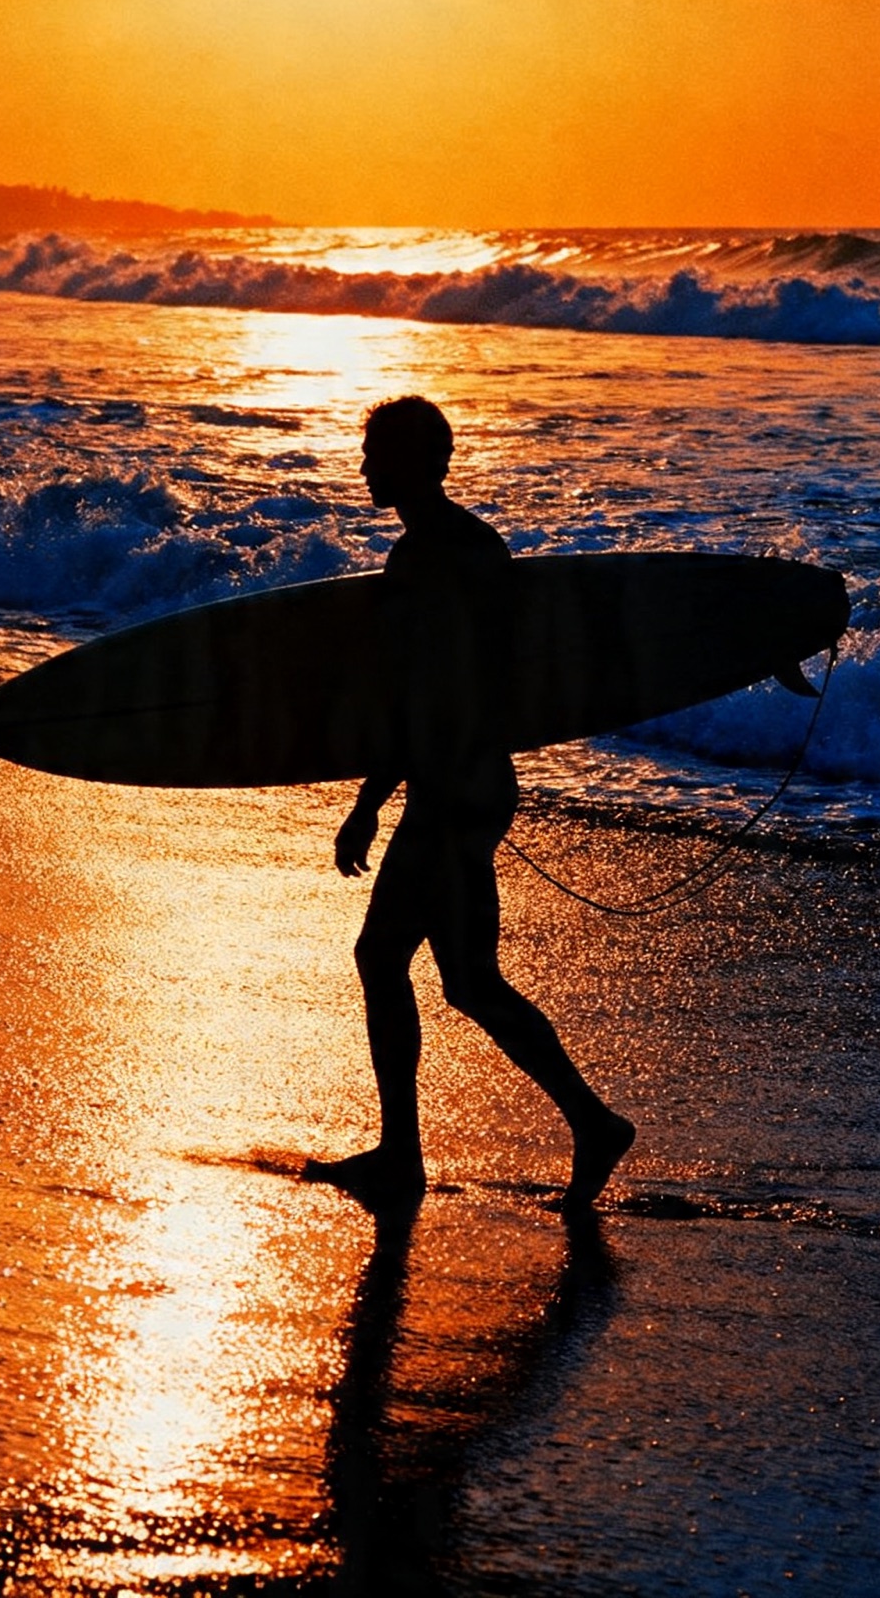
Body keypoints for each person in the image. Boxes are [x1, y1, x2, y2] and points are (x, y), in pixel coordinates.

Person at [302, 396, 634, 1214]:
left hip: (454, 791)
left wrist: (370, 802)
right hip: (465, 783)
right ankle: (581, 1126)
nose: (366, 469)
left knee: (401, 962)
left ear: (423, 463)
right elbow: (437, 694)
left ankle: (417, 1155)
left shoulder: (435, 560)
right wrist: (388, 795)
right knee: (463, 980)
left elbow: (430, 694)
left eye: (378, 455)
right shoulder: (462, 550)